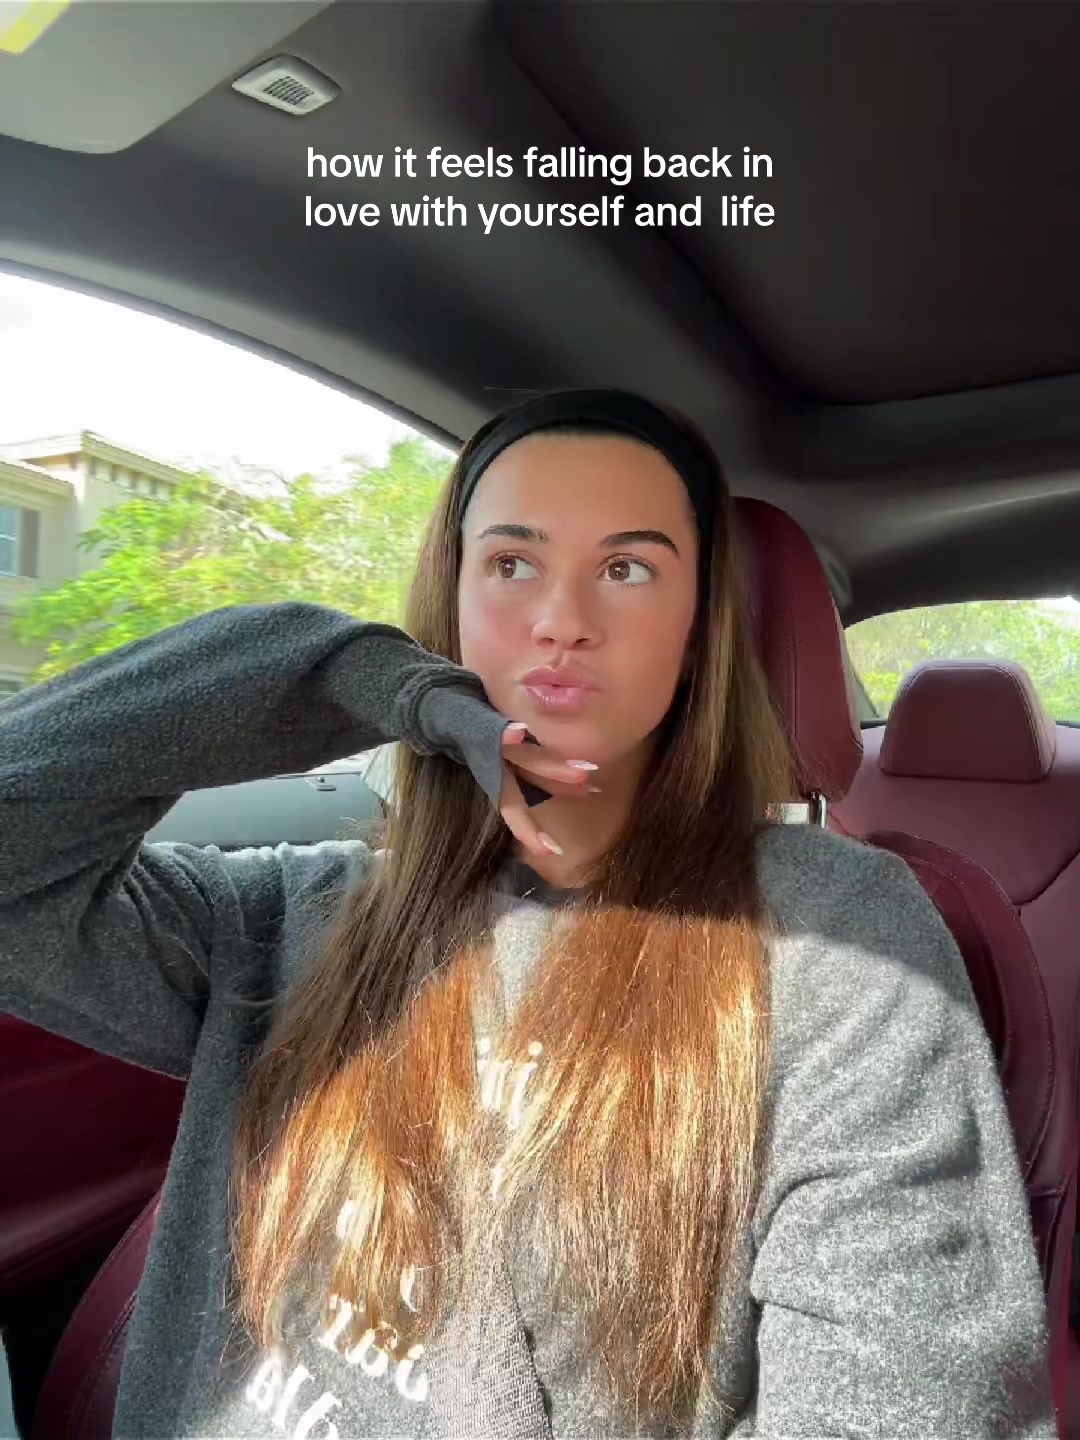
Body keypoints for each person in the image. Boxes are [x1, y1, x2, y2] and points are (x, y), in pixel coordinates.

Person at [0, 389, 1056, 1439]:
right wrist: (357, 677)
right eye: (510, 564)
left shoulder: (835, 942)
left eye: (628, 569)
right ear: (451, 601)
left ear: (697, 632)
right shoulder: (289, 919)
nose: (562, 622)